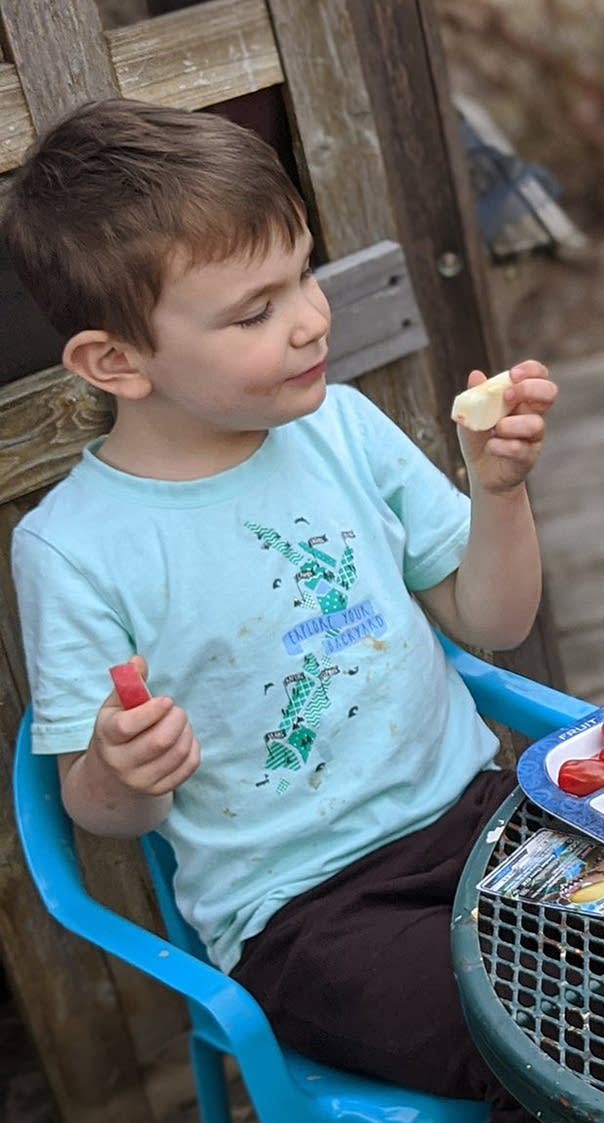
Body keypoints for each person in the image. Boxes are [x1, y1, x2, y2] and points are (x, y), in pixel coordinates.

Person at [4, 99, 557, 1120]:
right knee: (541, 1035)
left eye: (303, 269)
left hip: (484, 816)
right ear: (117, 362)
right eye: (253, 311)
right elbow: (100, 810)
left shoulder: (341, 428)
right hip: (307, 913)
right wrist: (121, 771)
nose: (309, 316)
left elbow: (494, 619)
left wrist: (499, 490)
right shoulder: (75, 549)